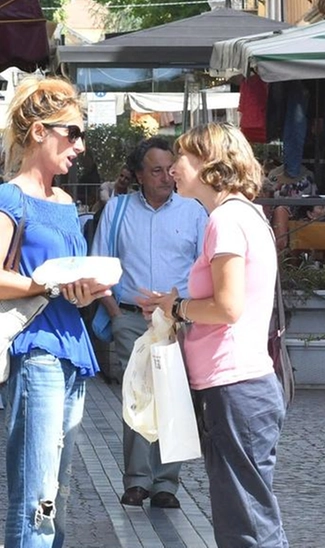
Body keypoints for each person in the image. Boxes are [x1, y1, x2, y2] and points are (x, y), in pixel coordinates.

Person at [141, 122, 287, 547]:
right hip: (239, 385)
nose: (173, 169)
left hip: (234, 385)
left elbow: (227, 306)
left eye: (182, 158)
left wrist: (178, 308)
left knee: (246, 520)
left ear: (210, 164)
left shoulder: (225, 219)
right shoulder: (243, 214)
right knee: (245, 511)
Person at [0, 75, 115, 548]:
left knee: (54, 492)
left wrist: (84, 292)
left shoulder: (67, 203)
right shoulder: (10, 198)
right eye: (73, 133)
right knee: (37, 493)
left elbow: (67, 284)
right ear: (38, 132)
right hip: (36, 350)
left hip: (70, 347)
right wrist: (41, 284)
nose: (80, 145)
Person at [92, 136, 207, 509]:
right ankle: (137, 480)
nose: (165, 177)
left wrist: (183, 308)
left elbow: (204, 268)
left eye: (169, 169)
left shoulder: (193, 210)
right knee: (138, 395)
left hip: (179, 320)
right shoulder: (119, 209)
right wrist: (113, 312)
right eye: (155, 170)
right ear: (139, 174)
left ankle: (166, 485)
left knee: (174, 394)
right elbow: (100, 264)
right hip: (129, 316)